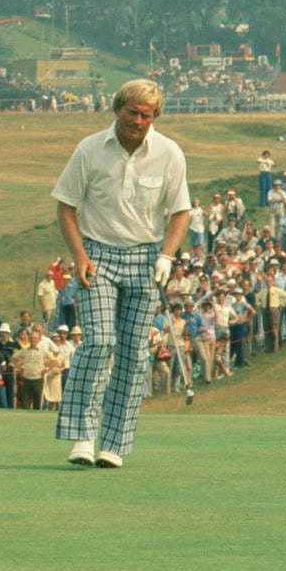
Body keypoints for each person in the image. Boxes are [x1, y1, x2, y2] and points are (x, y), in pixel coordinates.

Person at [51, 78, 192, 468]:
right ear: (118, 109)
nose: (138, 121)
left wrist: (166, 255)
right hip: (97, 255)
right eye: (132, 112)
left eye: (146, 115)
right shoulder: (90, 149)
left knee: (133, 355)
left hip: (146, 258)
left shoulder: (169, 153)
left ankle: (113, 444)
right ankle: (82, 435)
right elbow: (66, 206)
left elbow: (180, 210)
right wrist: (78, 255)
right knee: (97, 341)